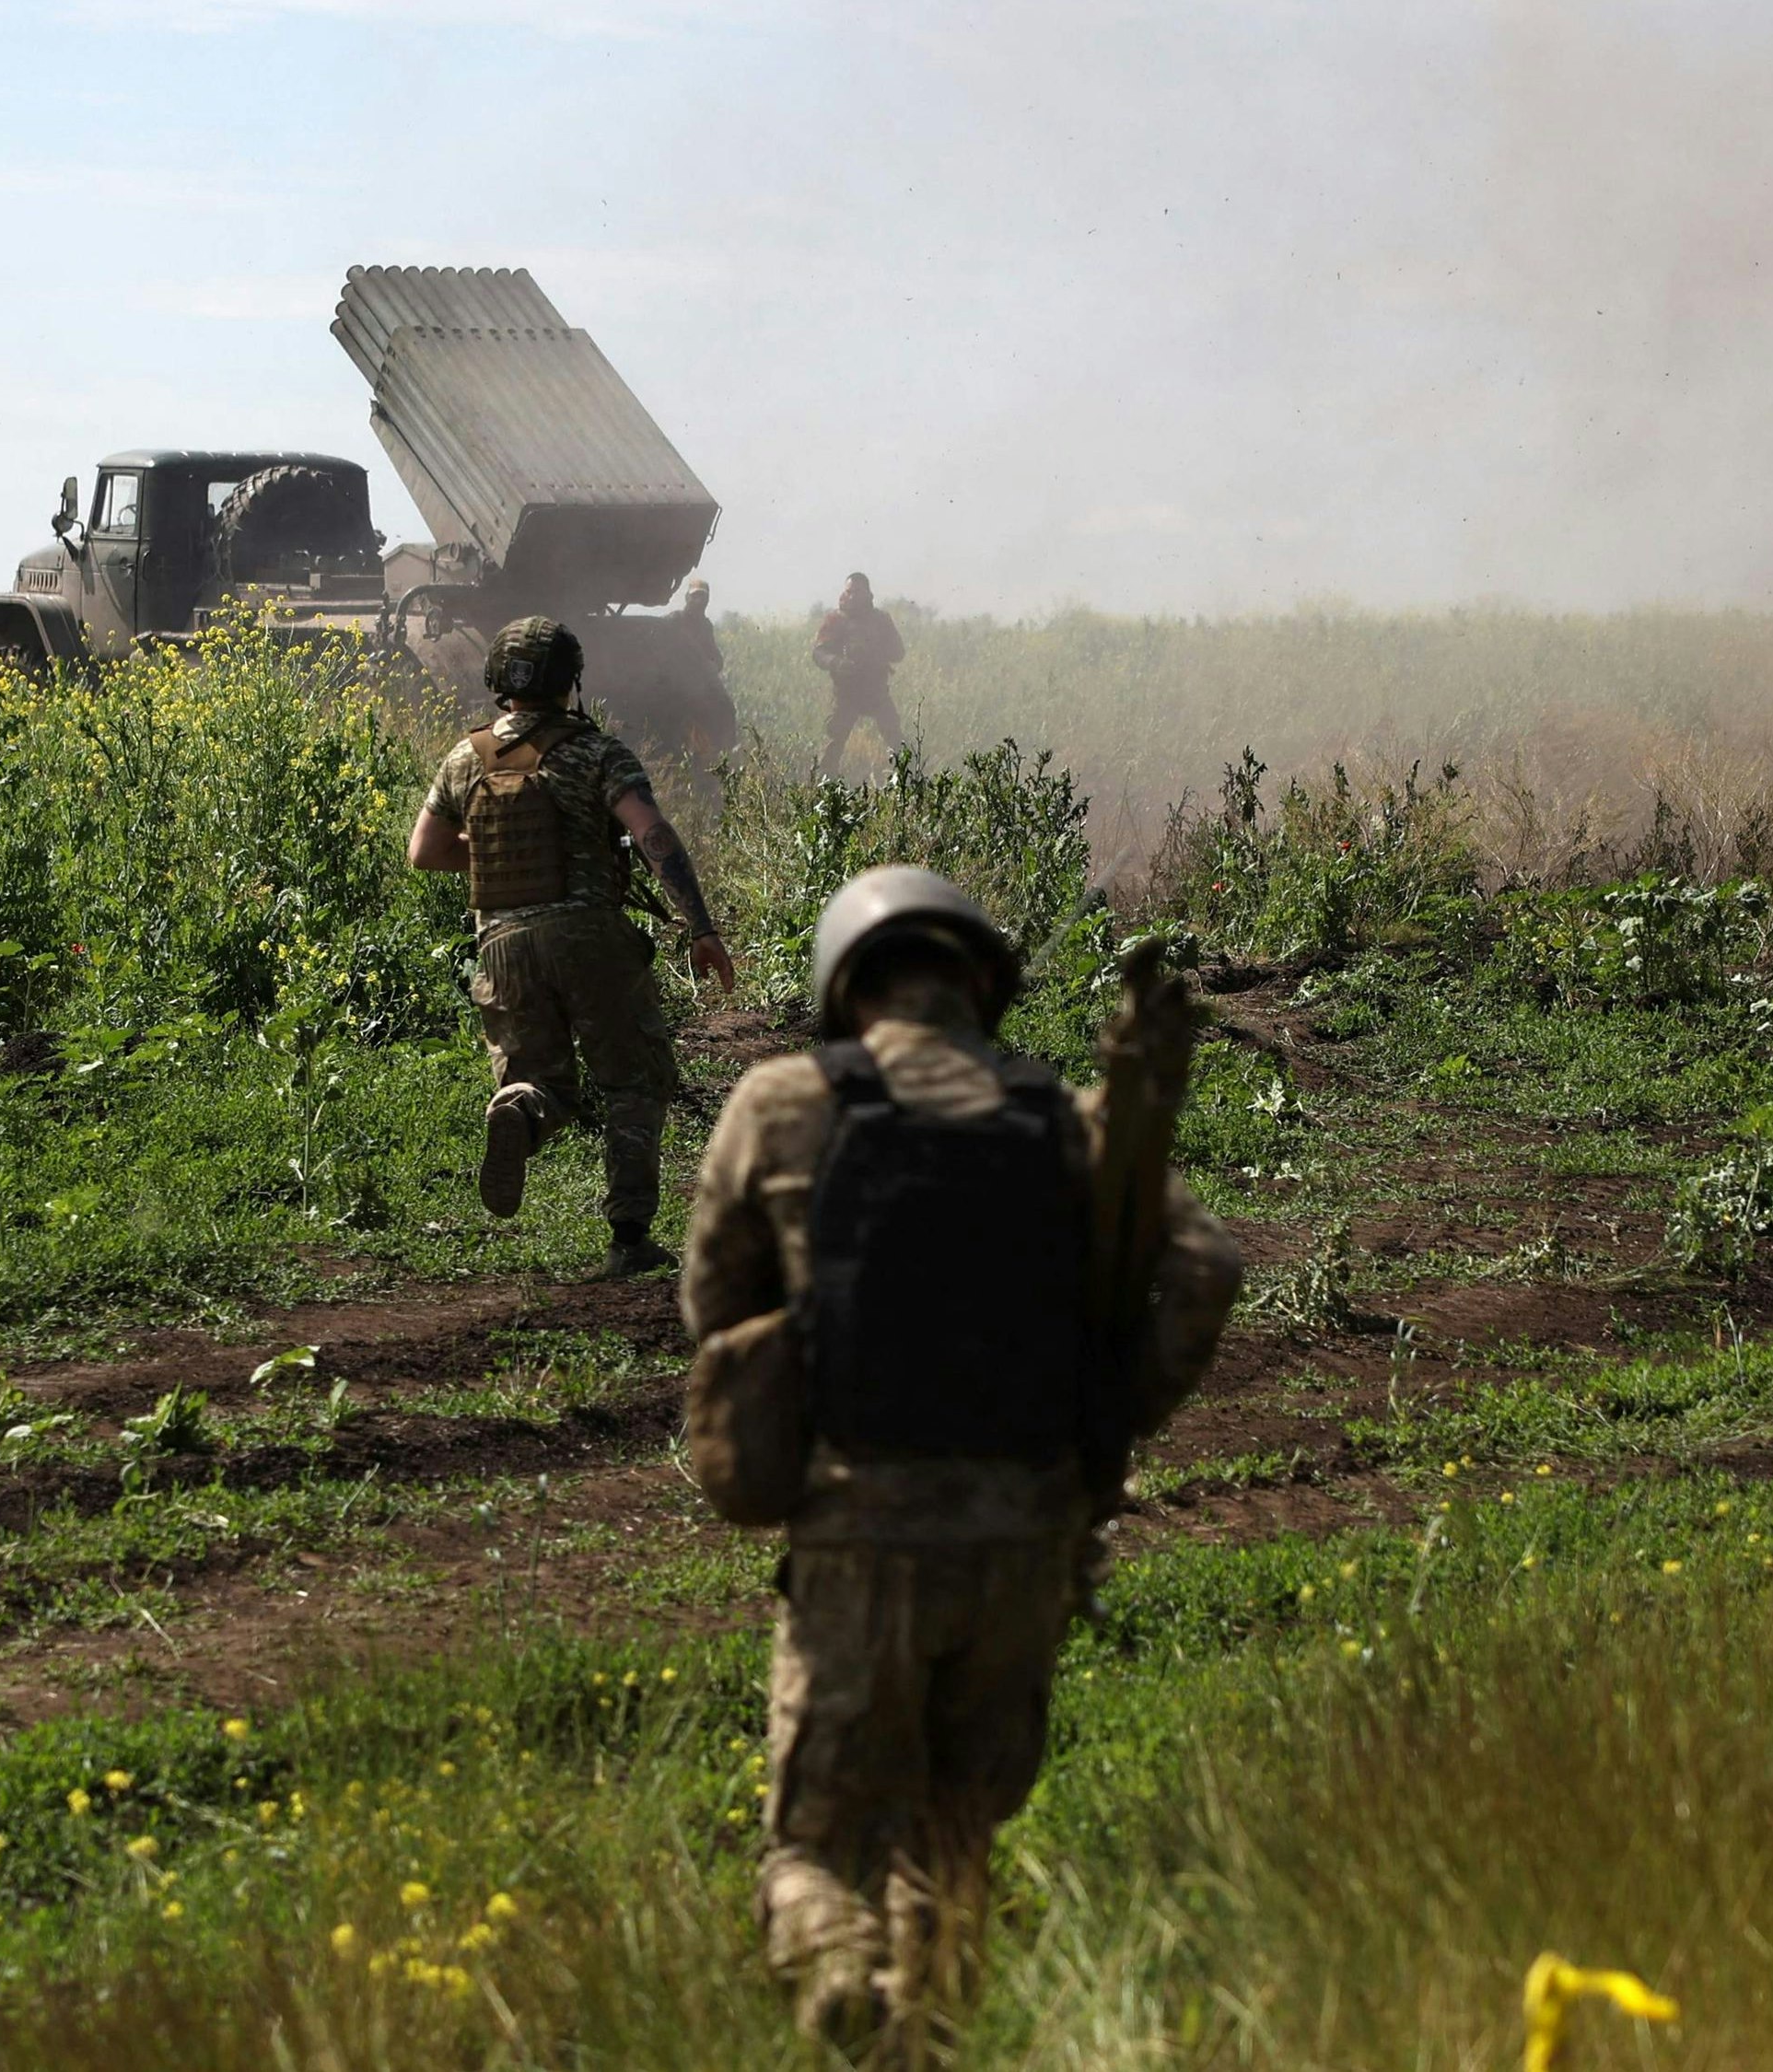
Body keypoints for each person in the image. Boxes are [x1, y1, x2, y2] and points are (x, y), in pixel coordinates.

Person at [682, 866, 1242, 2055]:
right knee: (951, 1838)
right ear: (981, 983)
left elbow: (711, 1305)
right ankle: (925, 2035)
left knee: (816, 1850)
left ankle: (839, 1975)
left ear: (845, 986)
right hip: (1025, 1542)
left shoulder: (781, 1106)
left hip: (858, 1539)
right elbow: (1203, 1267)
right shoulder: (1073, 1122)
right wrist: (1116, 1404)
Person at [408, 615, 738, 1277]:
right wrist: (700, 925)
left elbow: (425, 852)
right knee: (634, 1079)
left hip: (500, 943)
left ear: (498, 681)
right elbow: (652, 836)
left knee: (543, 1079)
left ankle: (521, 1113)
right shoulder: (597, 753)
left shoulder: (464, 757)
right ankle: (628, 1237)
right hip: (590, 937)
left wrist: (508, 851)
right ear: (571, 681)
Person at [811, 572, 907, 768]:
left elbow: (898, 653)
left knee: (896, 738)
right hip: (846, 693)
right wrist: (837, 662)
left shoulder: (881, 619)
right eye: (849, 592)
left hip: (876, 691)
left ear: (867, 594)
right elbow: (819, 653)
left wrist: (876, 651)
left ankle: (909, 782)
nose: (852, 596)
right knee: (834, 741)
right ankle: (823, 784)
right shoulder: (836, 620)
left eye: (857, 592)